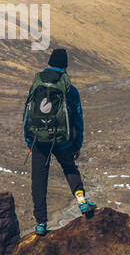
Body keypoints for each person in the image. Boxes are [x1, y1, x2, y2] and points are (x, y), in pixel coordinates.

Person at [22, 47, 96, 235]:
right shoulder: (70, 88)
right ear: (65, 67)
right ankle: (82, 202)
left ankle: (40, 224)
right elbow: (78, 119)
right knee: (70, 168)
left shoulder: (36, 83)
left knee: (39, 180)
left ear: (48, 64)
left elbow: (27, 114)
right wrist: (77, 144)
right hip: (62, 139)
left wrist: (30, 141)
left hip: (39, 139)